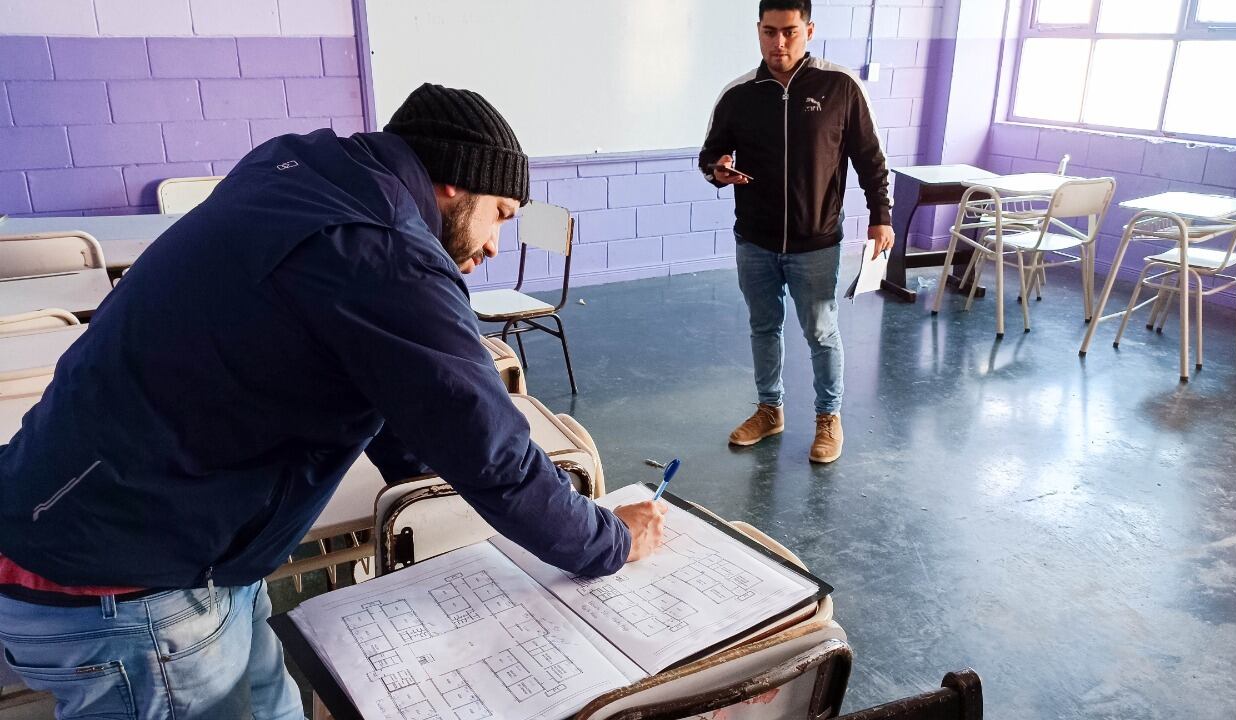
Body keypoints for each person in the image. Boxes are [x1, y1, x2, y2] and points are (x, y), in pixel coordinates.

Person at [0, 83, 667, 719]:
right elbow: (494, 454)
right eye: (500, 214)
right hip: (129, 585)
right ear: (455, 180)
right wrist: (608, 541)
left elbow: (375, 372)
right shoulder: (381, 248)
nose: (495, 244)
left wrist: (425, 467)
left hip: (166, 538)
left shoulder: (301, 172)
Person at [699, 0, 894, 463]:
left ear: (808, 29)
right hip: (755, 240)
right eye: (769, 32)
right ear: (758, 30)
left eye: (788, 31)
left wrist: (880, 215)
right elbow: (711, 154)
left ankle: (829, 418)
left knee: (821, 333)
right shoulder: (738, 94)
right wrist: (717, 170)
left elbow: (871, 159)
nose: (778, 43)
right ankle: (770, 410)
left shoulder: (841, 87)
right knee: (763, 327)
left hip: (817, 243)